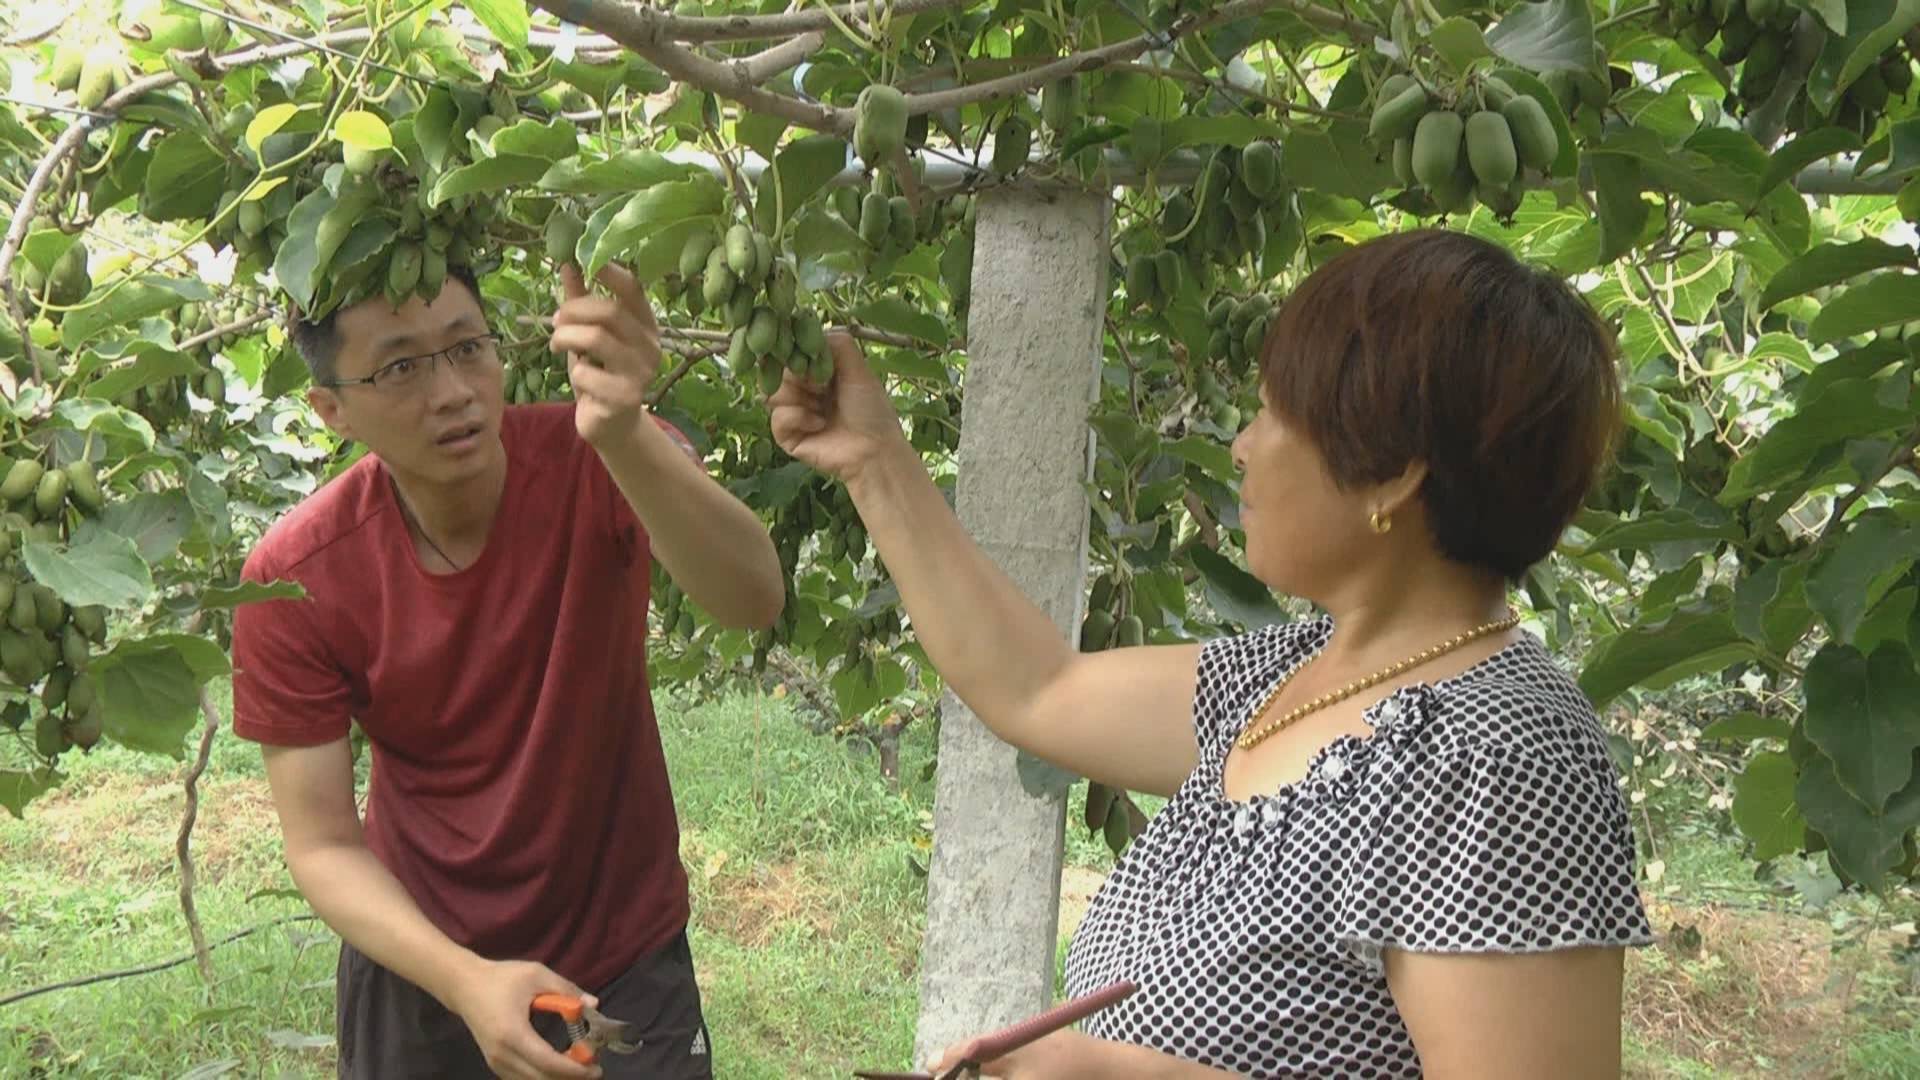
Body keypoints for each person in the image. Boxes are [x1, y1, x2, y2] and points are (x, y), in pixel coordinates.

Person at [769, 228, 1655, 1078]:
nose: (1241, 447)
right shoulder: (1301, 672)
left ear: (1391, 477)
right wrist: (873, 460)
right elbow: (1038, 688)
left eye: (1274, 415)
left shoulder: (1500, 761)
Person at [229, 259, 786, 1080]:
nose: (452, 390)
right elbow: (321, 846)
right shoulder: (295, 575)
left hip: (621, 956)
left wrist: (625, 431)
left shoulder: (603, 457)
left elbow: (752, 598)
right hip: (421, 965)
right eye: (400, 367)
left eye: (467, 347)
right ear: (331, 409)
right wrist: (465, 980)